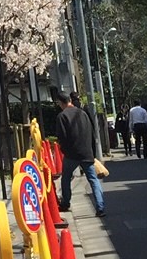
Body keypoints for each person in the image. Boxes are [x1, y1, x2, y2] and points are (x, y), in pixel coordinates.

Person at [51, 88, 106, 218]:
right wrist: (92, 152)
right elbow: (91, 133)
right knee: (93, 179)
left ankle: (65, 202)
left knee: (66, 178)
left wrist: (65, 150)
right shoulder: (83, 113)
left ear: (61, 103)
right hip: (87, 152)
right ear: (70, 100)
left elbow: (62, 137)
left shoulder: (62, 116)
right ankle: (100, 207)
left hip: (72, 154)